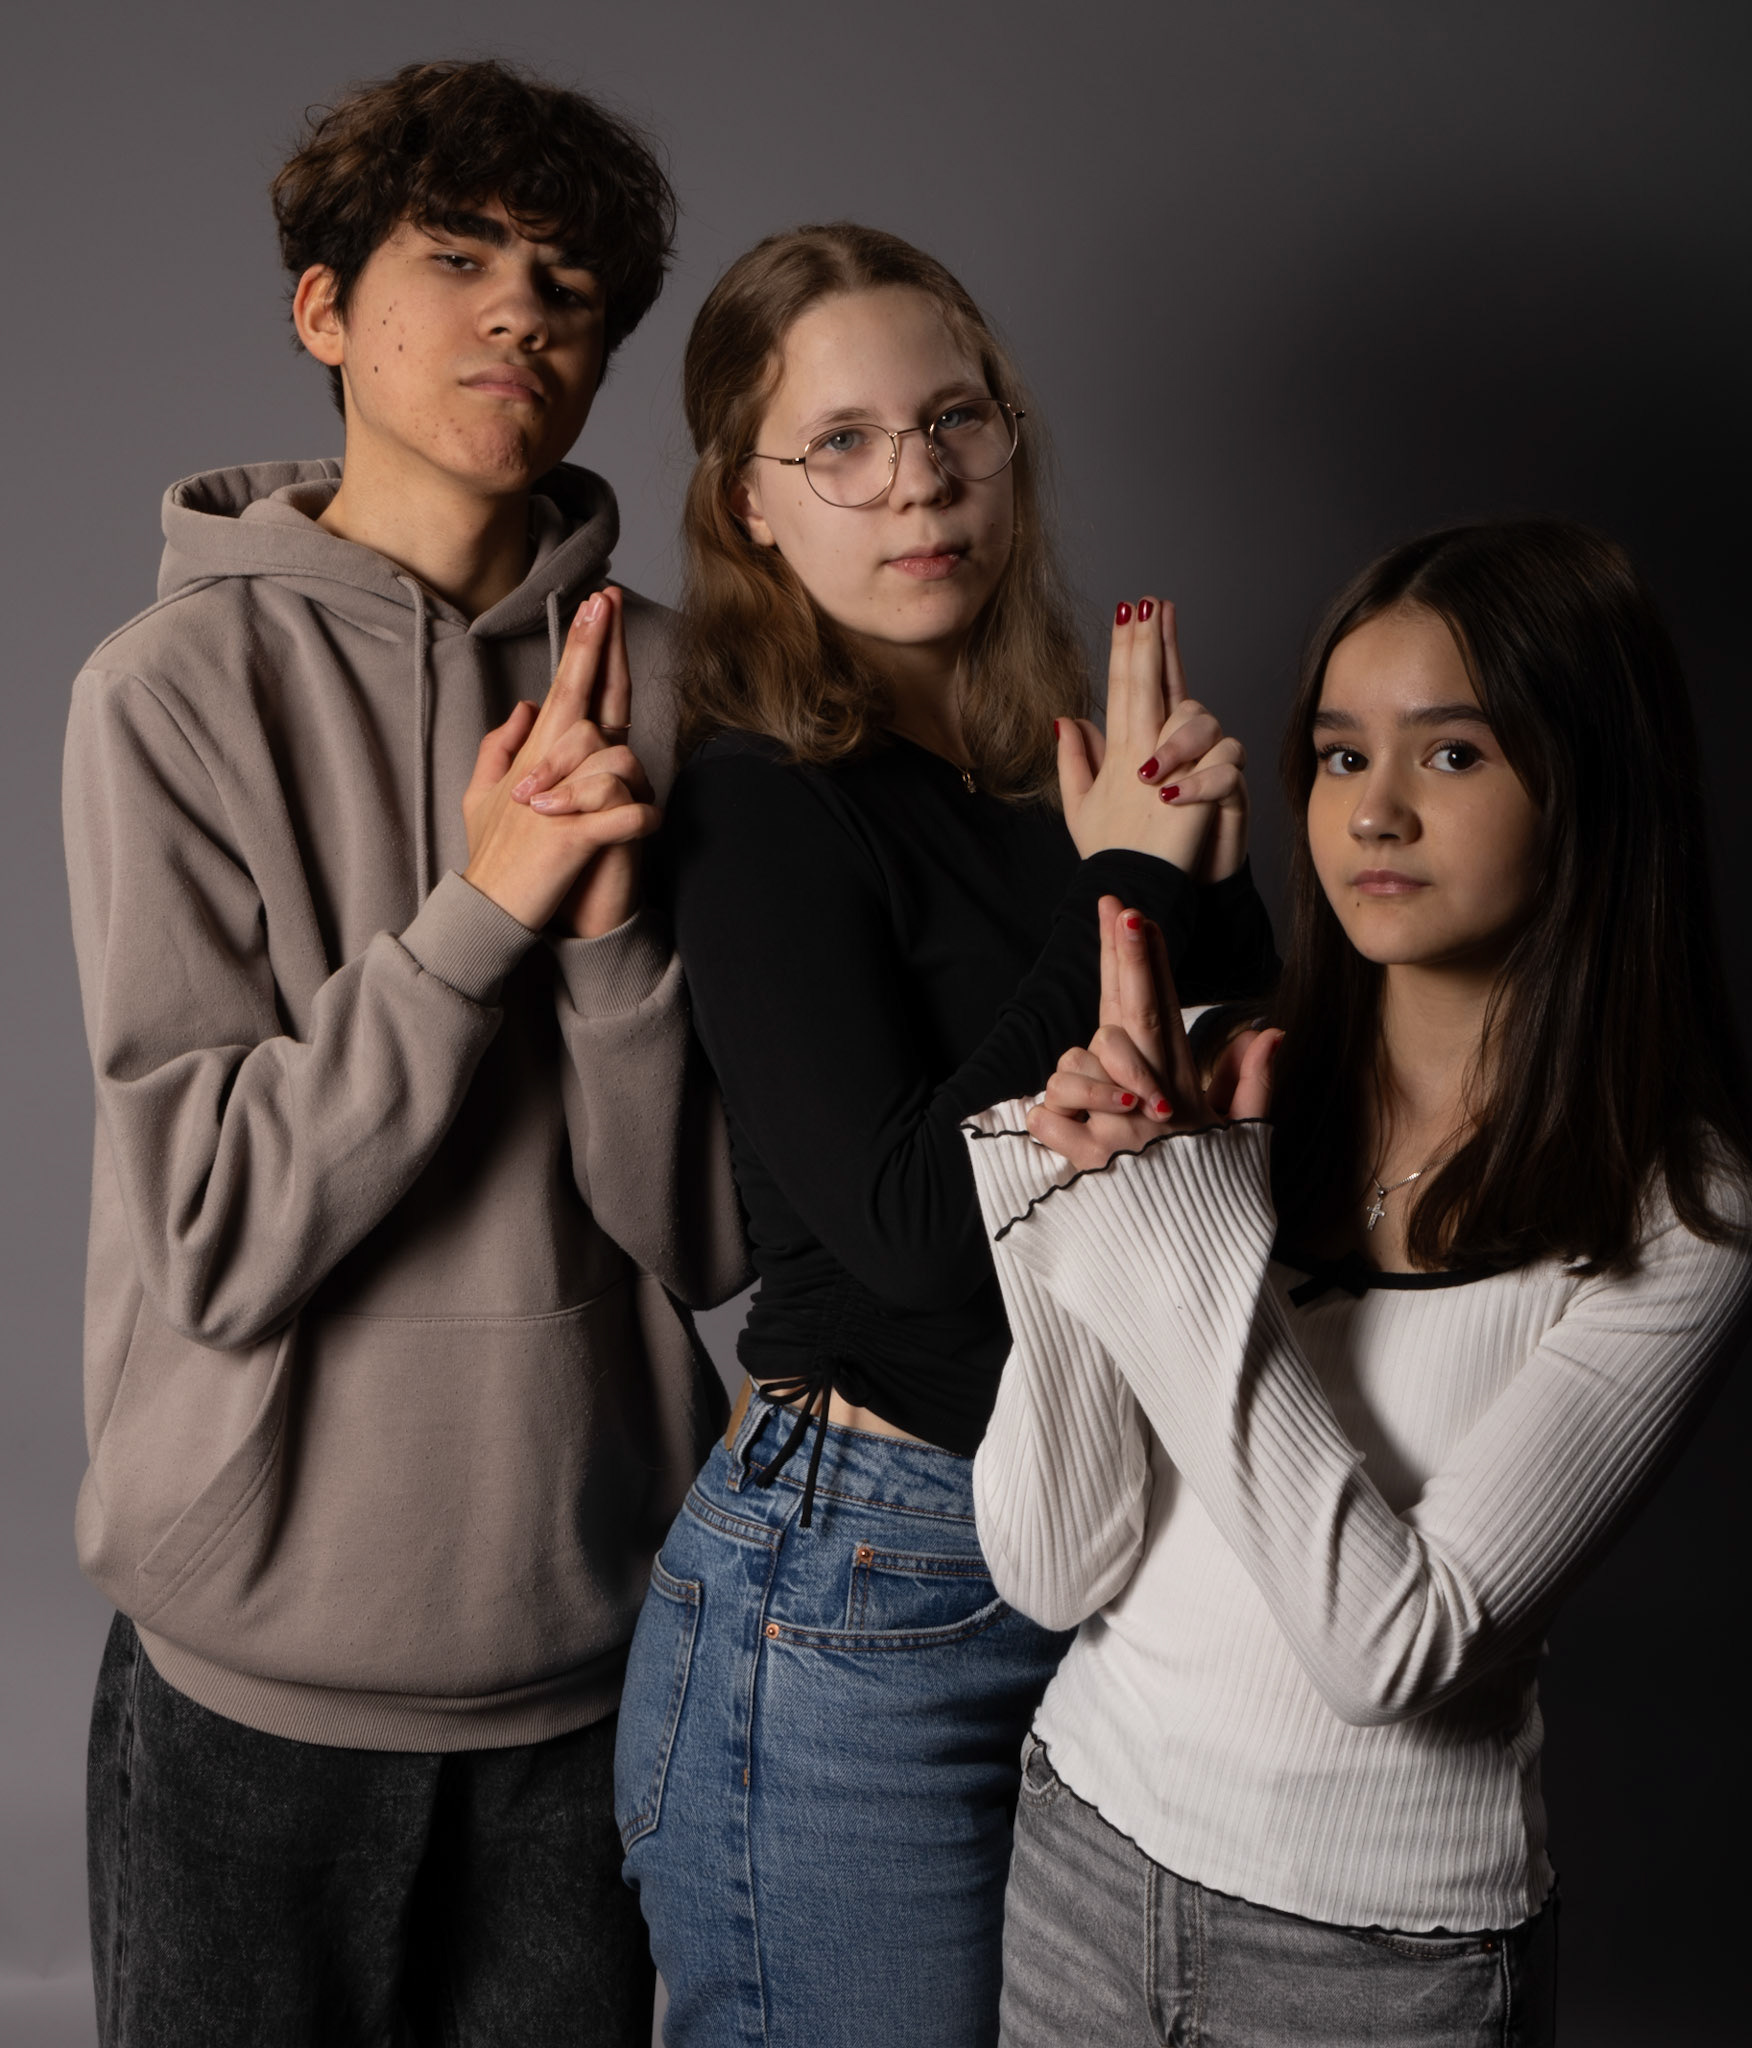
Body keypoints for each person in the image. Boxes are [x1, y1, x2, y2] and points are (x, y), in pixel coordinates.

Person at [64, 58, 745, 2047]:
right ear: (324, 310)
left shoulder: (680, 688)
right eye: (460, 259)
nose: (523, 310)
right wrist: (482, 910)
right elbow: (218, 1227)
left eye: (569, 285)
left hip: (595, 1649)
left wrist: (604, 943)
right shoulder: (169, 692)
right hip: (250, 1667)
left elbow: (712, 1235)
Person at [960, 521, 1752, 2047]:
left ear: (1591, 790)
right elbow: (1052, 1565)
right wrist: (1078, 1211)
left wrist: (1174, 1228)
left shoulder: (1681, 1217)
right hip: (1080, 1851)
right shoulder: (1216, 1065)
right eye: (1339, 756)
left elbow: (1385, 1651)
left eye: (1451, 754)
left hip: (1372, 1962)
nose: (1374, 811)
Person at [610, 221, 1277, 2048]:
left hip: (1111, 1540)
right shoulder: (761, 806)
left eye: (952, 420)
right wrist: (1122, 881)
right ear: (750, 506)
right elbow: (913, 1227)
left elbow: (1228, 1145)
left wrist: (1200, 886)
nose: (916, 481)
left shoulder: (1059, 762)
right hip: (855, 1590)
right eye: (838, 443)